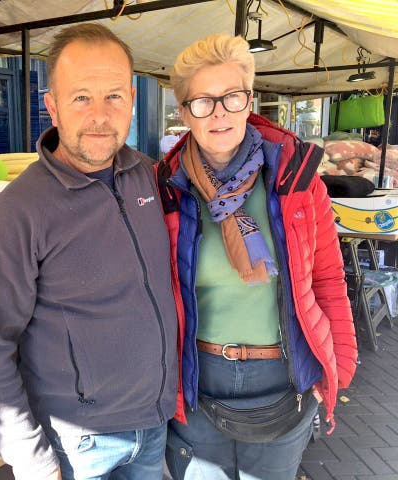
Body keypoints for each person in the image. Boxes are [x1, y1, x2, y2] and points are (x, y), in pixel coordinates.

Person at [0, 23, 178, 480]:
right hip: (77, 446)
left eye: (115, 96)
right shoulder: (16, 213)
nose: (100, 115)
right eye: (82, 97)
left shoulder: (149, 177)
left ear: (133, 102)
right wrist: (30, 459)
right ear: (52, 107)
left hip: (155, 423)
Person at [155, 33, 358, 480]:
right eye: (203, 102)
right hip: (196, 383)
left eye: (231, 97)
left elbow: (327, 280)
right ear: (184, 111)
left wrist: (337, 366)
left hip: (282, 379)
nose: (220, 113)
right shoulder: (164, 190)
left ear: (250, 100)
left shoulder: (299, 183)